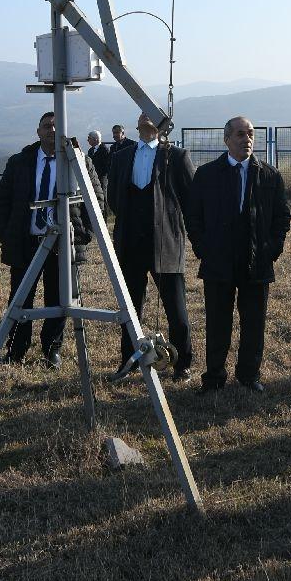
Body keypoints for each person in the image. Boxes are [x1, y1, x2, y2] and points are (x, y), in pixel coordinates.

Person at [186, 116, 291, 392]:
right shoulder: (207, 174)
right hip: (218, 262)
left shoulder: (269, 175)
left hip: (256, 262)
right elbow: (193, 216)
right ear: (227, 139)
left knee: (254, 322)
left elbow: (282, 217)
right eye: (240, 134)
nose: (247, 140)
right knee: (218, 322)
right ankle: (214, 377)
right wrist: (203, 248)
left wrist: (272, 249)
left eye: (250, 134)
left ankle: (248, 375)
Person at [0, 109, 88, 367]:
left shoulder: (76, 160)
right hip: (27, 242)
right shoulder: (20, 161)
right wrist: (6, 234)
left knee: (58, 298)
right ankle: (16, 350)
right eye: (47, 126)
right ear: (38, 132)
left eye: (57, 126)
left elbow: (95, 198)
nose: (52, 130)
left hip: (63, 243)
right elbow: (3, 200)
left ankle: (51, 348)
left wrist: (83, 234)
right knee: (21, 298)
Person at [107, 111, 196, 380]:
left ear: (162, 124)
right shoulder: (121, 157)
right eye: (141, 112)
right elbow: (114, 198)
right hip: (131, 243)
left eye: (152, 113)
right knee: (130, 308)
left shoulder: (176, 157)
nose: (146, 116)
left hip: (166, 243)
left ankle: (183, 364)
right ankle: (129, 360)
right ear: (136, 123)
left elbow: (192, 199)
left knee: (175, 308)